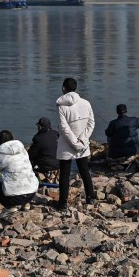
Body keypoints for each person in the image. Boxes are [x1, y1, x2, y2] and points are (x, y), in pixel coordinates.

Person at [55, 77, 97, 209]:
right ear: (76, 88)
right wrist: (83, 140)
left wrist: (74, 142)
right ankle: (90, 197)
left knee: (65, 174)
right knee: (84, 171)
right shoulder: (86, 103)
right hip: (82, 144)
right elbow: (91, 123)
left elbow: (64, 128)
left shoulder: (62, 107)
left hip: (67, 144)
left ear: (63, 88)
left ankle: (63, 203)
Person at [0, 130, 39, 214]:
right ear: (13, 139)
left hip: (15, 198)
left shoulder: (0, 155)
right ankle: (26, 204)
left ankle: (10, 206)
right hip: (32, 193)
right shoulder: (23, 150)